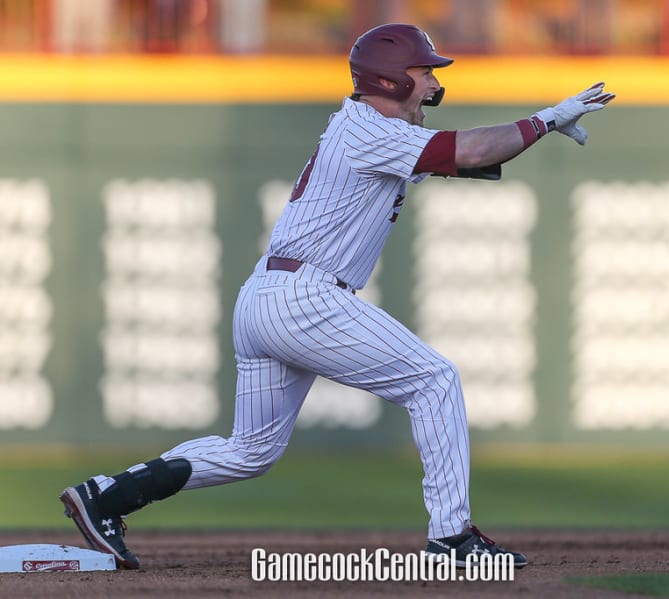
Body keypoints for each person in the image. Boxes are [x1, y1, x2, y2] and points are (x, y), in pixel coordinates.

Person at [59, 23, 614, 570]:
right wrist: (544, 120)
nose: (433, 86)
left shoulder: (368, 129)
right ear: (393, 81)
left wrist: (530, 133)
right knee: (434, 380)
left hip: (266, 297)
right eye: (424, 74)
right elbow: (466, 150)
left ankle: (106, 496)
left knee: (250, 451)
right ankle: (452, 536)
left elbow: (468, 158)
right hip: (305, 296)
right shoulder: (373, 130)